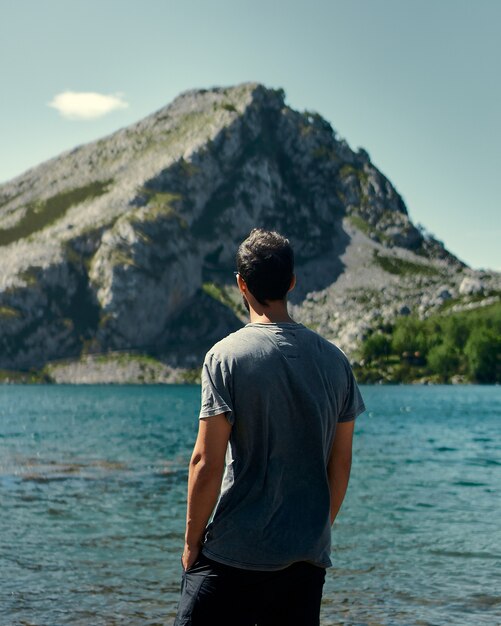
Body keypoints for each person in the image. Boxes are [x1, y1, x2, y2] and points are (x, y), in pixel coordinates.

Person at [174, 228, 365, 626]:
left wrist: (192, 544)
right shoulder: (336, 362)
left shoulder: (225, 357)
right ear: (292, 282)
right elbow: (341, 465)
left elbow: (205, 463)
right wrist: (314, 529)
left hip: (234, 556)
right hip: (305, 560)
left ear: (241, 285)